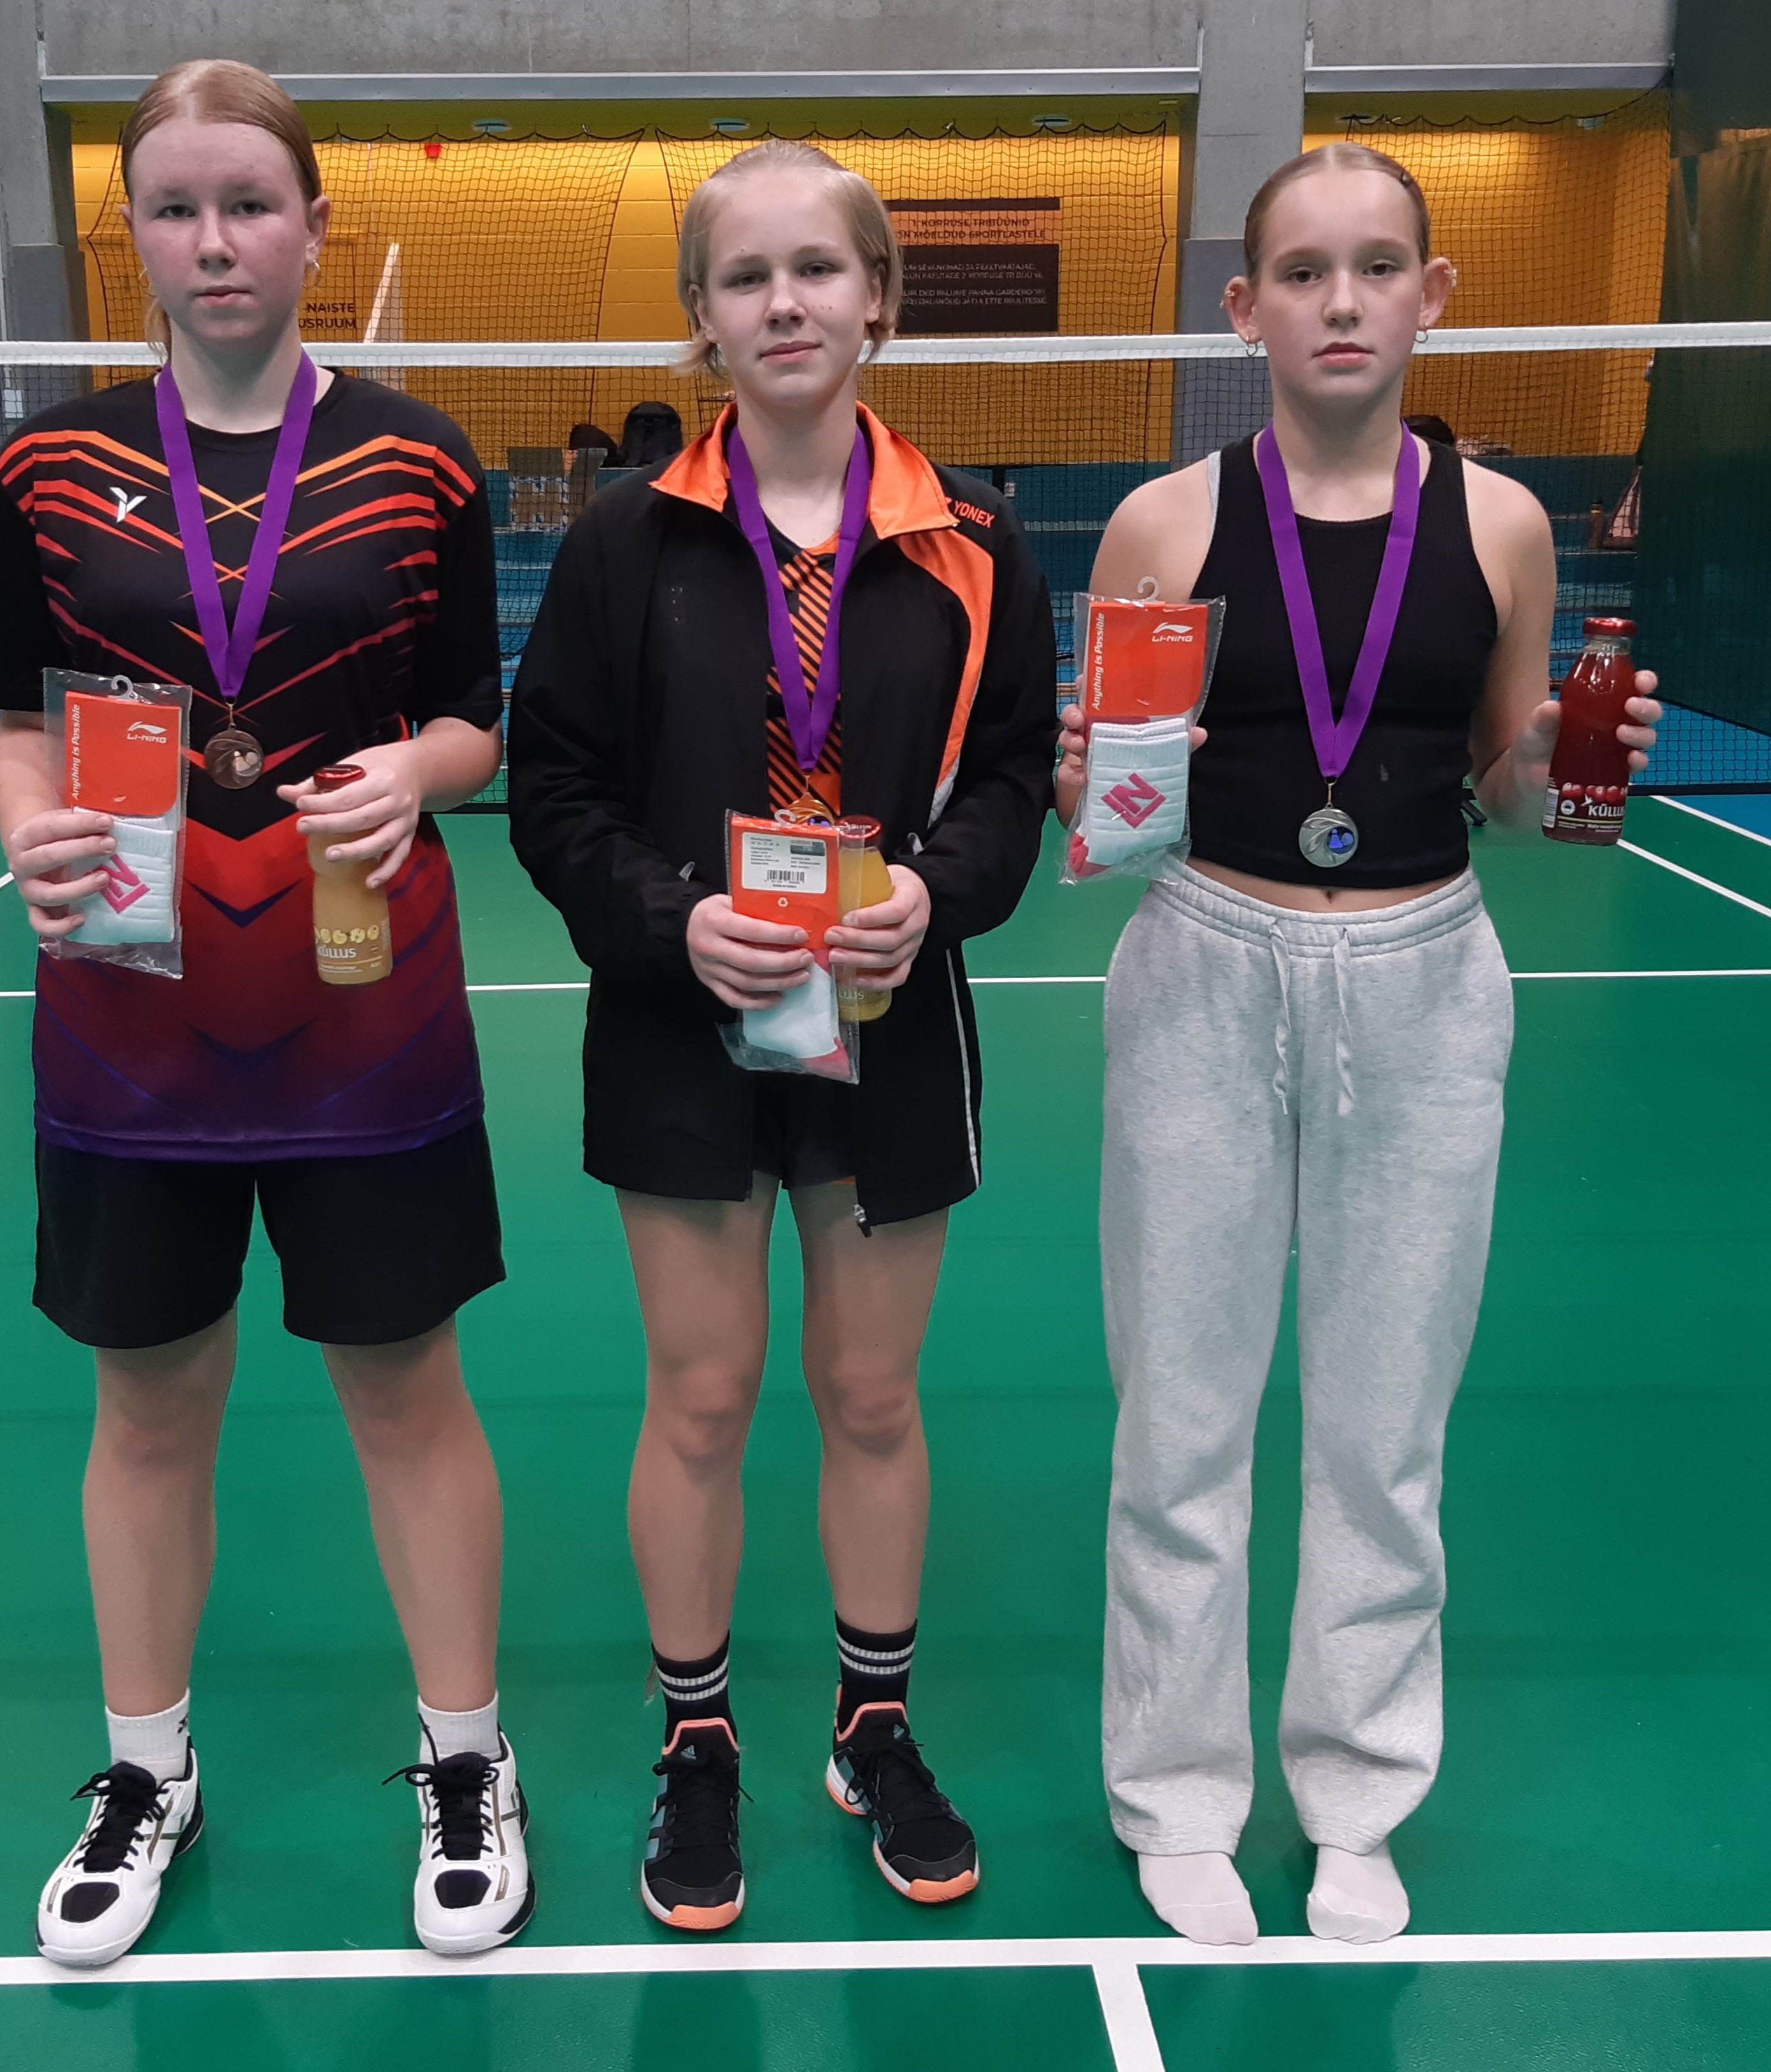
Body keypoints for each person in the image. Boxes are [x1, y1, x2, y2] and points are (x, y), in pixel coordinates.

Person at [1059, 143, 1662, 1948]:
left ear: (1431, 295)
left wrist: (1553, 763)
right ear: (1241, 307)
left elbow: (1507, 778)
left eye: (1376, 265)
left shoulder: (1503, 526)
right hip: (1205, 962)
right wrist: (1093, 782)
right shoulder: (1163, 523)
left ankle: (1355, 1792)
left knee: (1384, 1434)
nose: (1340, 301)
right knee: (1180, 1422)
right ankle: (1176, 1793)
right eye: (1303, 271)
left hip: (1421, 976)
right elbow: (1117, 807)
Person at [0, 60, 532, 1964]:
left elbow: (472, 712)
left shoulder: (419, 459)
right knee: (146, 1409)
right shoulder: (50, 467)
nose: (214, 241)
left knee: (406, 1390)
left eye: (249, 204)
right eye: (176, 208)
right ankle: (147, 1767)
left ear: (312, 225)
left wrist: (419, 771)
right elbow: (17, 726)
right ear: (132, 233)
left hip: (365, 999)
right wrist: (31, 830)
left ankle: (468, 1756)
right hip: (127, 1005)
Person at [509, 141, 1056, 1931]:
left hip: (890, 1022)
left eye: (816, 267)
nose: (784, 301)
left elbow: (1008, 785)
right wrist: (674, 919)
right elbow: (554, 794)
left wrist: (933, 895)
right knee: (700, 1390)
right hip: (683, 1023)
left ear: (875, 295)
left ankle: (871, 1724)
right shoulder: (623, 542)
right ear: (702, 315)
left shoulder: (973, 543)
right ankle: (696, 1741)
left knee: (872, 1392)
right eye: (744, 275)